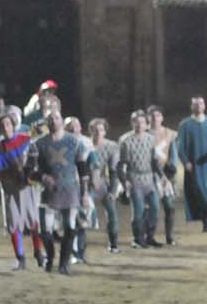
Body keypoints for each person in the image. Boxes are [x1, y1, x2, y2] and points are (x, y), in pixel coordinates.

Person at [31, 115, 91, 273]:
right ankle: (50, 257)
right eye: (50, 119)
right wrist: (43, 177)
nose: (53, 122)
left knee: (69, 227)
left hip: (70, 188)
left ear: (62, 121)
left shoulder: (74, 142)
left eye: (56, 118)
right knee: (45, 231)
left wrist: (84, 193)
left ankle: (64, 264)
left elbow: (83, 168)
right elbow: (29, 171)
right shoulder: (38, 144)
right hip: (47, 191)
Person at [0, 112, 40, 271]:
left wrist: (29, 174)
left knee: (34, 220)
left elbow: (35, 157)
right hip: (11, 189)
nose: (6, 128)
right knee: (14, 223)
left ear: (13, 125)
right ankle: (20, 257)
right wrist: (13, 172)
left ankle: (39, 253)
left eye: (8, 124)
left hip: (28, 187)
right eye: (3, 126)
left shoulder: (25, 139)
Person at [175, 96, 207, 232]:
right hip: (194, 166)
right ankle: (206, 220)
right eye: (195, 104)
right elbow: (180, 146)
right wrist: (185, 162)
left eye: (201, 103)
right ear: (191, 107)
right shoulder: (185, 125)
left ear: (204, 106)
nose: (198, 106)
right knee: (200, 192)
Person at [115, 110, 162, 248]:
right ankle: (137, 238)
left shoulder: (151, 139)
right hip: (134, 178)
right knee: (139, 211)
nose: (139, 124)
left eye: (142, 122)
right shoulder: (125, 140)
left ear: (146, 124)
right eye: (136, 121)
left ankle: (150, 236)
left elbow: (154, 160)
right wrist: (124, 182)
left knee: (155, 208)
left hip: (149, 178)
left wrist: (161, 176)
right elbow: (120, 165)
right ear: (132, 123)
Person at [83, 118, 121, 255]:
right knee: (83, 215)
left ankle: (113, 244)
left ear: (105, 131)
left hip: (103, 183)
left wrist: (112, 190)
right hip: (86, 185)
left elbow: (113, 170)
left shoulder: (111, 146)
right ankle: (80, 247)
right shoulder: (84, 144)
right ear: (90, 131)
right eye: (95, 130)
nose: (99, 133)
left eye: (101, 130)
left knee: (112, 213)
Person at [148, 106, 181, 246]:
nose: (155, 118)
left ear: (162, 117)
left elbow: (173, 153)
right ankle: (149, 235)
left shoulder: (170, 134)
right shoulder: (145, 134)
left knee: (169, 206)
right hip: (150, 175)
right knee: (152, 207)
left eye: (158, 115)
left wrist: (171, 170)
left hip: (166, 175)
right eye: (152, 115)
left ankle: (169, 236)